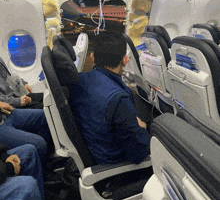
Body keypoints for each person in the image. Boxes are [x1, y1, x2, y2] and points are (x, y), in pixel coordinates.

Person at [70, 31, 151, 165]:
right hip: (113, 164)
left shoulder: (79, 80)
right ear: (125, 60)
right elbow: (138, 153)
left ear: (92, 57)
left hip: (94, 148)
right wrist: (142, 128)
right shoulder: (119, 99)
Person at [0, 101, 54, 172]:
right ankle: (44, 175)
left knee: (46, 116)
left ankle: (47, 162)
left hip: (6, 114)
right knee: (39, 143)